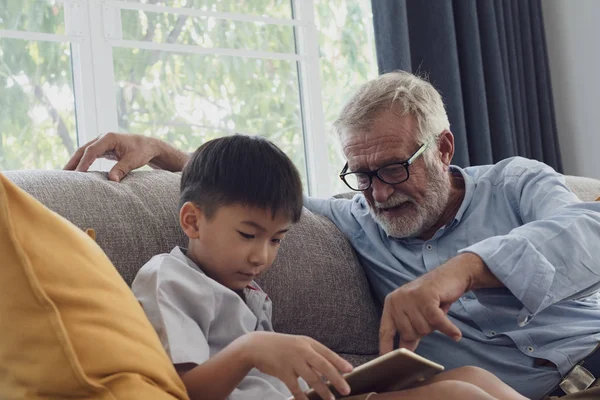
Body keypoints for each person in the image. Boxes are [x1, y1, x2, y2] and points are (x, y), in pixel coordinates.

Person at [65, 71, 600, 400]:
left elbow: (587, 229)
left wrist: (457, 273)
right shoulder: (357, 218)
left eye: (392, 169)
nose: (378, 193)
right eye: (359, 176)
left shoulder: (515, 182)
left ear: (442, 149)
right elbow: (253, 197)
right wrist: (161, 150)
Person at [130, 134, 526, 400]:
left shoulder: (248, 292)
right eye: (248, 235)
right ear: (192, 221)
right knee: (459, 397)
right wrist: (250, 349)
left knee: (472, 378)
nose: (261, 257)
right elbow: (180, 390)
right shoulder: (170, 278)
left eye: (276, 240)